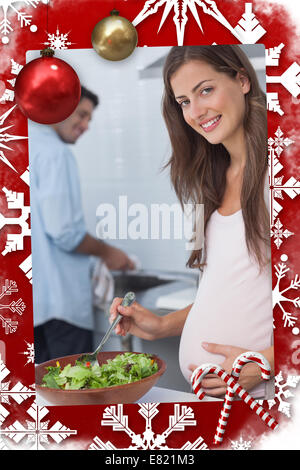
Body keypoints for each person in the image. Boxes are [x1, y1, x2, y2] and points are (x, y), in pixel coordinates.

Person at [109, 45, 274, 399]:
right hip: (216, 402)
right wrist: (162, 324)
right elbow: (228, 294)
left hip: (269, 405)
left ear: (242, 80)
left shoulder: (283, 175)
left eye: (205, 90)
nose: (196, 111)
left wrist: (267, 361)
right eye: (183, 101)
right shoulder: (215, 180)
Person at [29, 85, 135, 364]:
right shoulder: (55, 153)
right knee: (75, 393)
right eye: (82, 115)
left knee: (42, 395)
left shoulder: (19, 145)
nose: (85, 125)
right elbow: (65, 232)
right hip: (60, 308)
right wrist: (107, 252)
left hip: (31, 305)